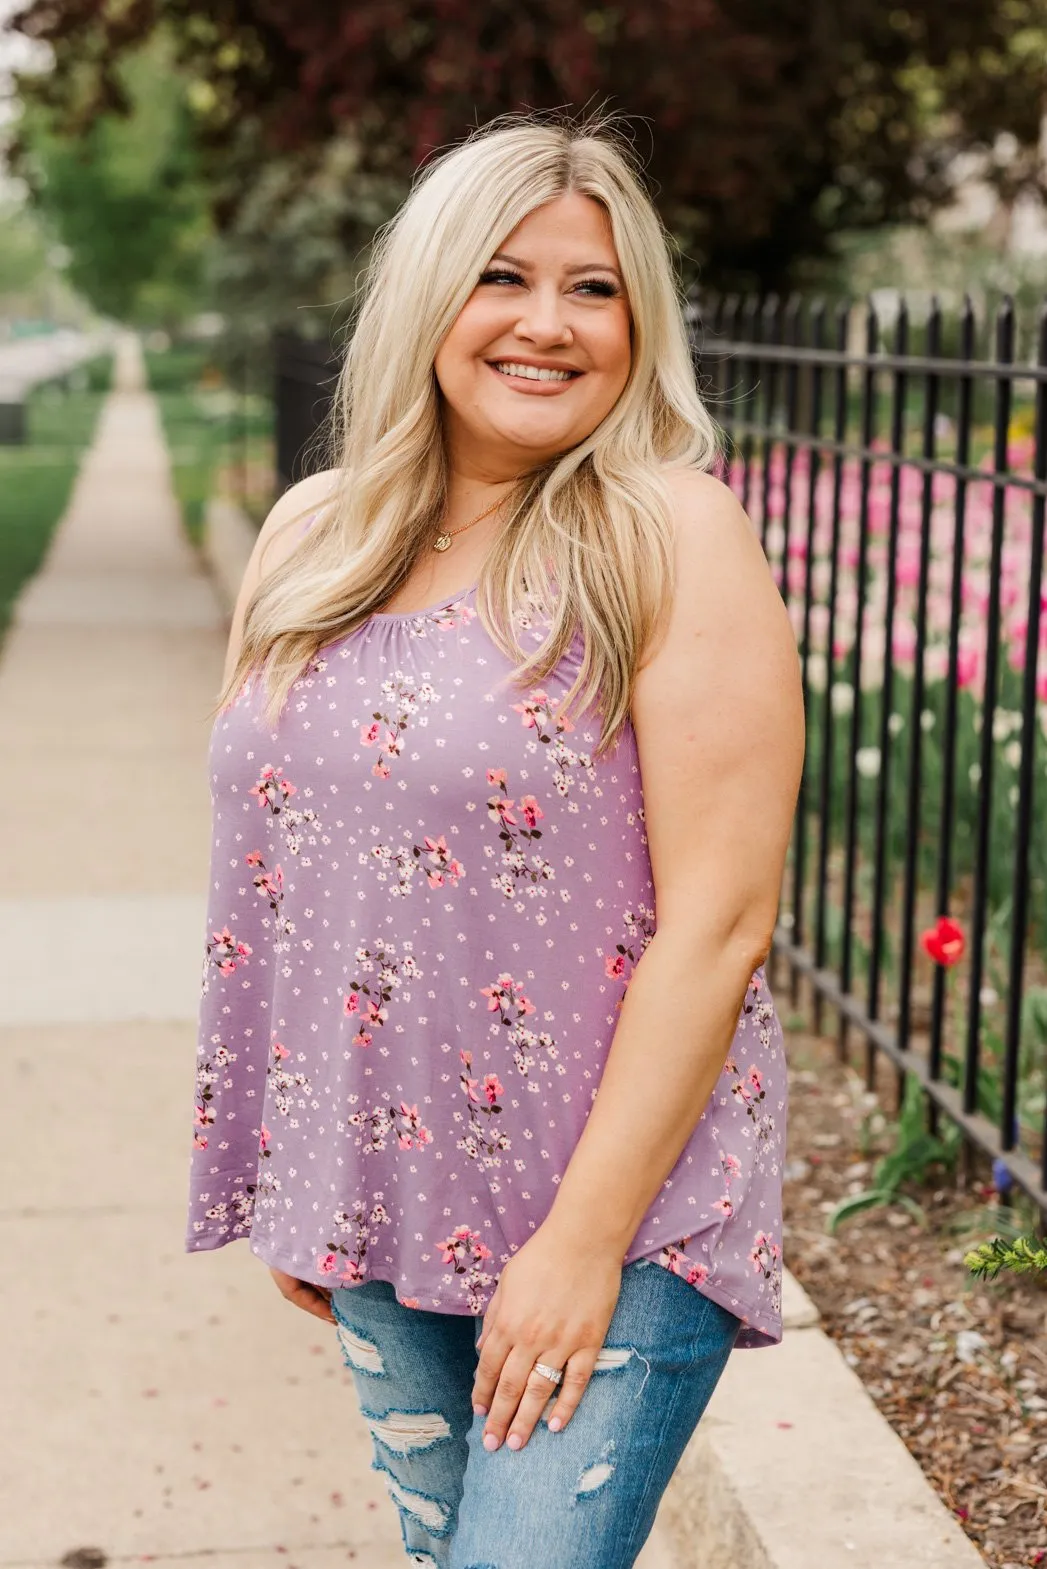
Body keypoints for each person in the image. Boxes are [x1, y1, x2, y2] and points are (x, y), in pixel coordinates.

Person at [185, 112, 804, 1569]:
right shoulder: (311, 536)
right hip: (388, 1202)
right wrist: (301, 1174)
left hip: (620, 1210)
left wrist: (580, 1248)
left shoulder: (666, 531)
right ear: (427, 298)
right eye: (502, 278)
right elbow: (279, 876)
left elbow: (721, 920)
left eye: (592, 288)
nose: (547, 323)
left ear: (638, 320)